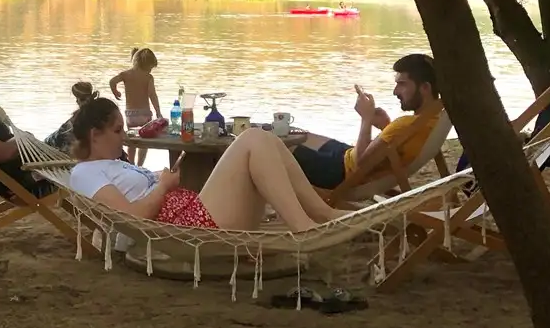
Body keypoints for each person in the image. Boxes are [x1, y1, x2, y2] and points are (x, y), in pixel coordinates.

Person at [67, 97, 347, 232]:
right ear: (95, 135)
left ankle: (322, 212)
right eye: (117, 131)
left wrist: (158, 178)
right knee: (252, 138)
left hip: (199, 213)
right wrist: (163, 186)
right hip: (193, 225)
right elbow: (131, 217)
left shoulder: (112, 166)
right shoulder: (85, 172)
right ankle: (302, 225)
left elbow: (132, 195)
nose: (124, 137)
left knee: (267, 140)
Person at [289, 53, 443, 190]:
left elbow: (361, 164)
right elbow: (396, 149)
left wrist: (366, 119)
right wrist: (385, 126)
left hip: (338, 172)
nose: (395, 91)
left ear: (425, 88)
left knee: (279, 145)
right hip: (346, 156)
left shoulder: (406, 124)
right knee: (298, 135)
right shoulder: (434, 119)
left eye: (402, 84)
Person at [109, 48, 162, 165]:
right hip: (145, 115)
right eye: (150, 68)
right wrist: (158, 111)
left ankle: (131, 164)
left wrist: (115, 91)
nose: (150, 71)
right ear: (148, 65)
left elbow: (112, 81)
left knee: (131, 141)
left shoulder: (125, 74)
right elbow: (152, 95)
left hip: (130, 115)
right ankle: (140, 165)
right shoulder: (148, 77)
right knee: (144, 142)